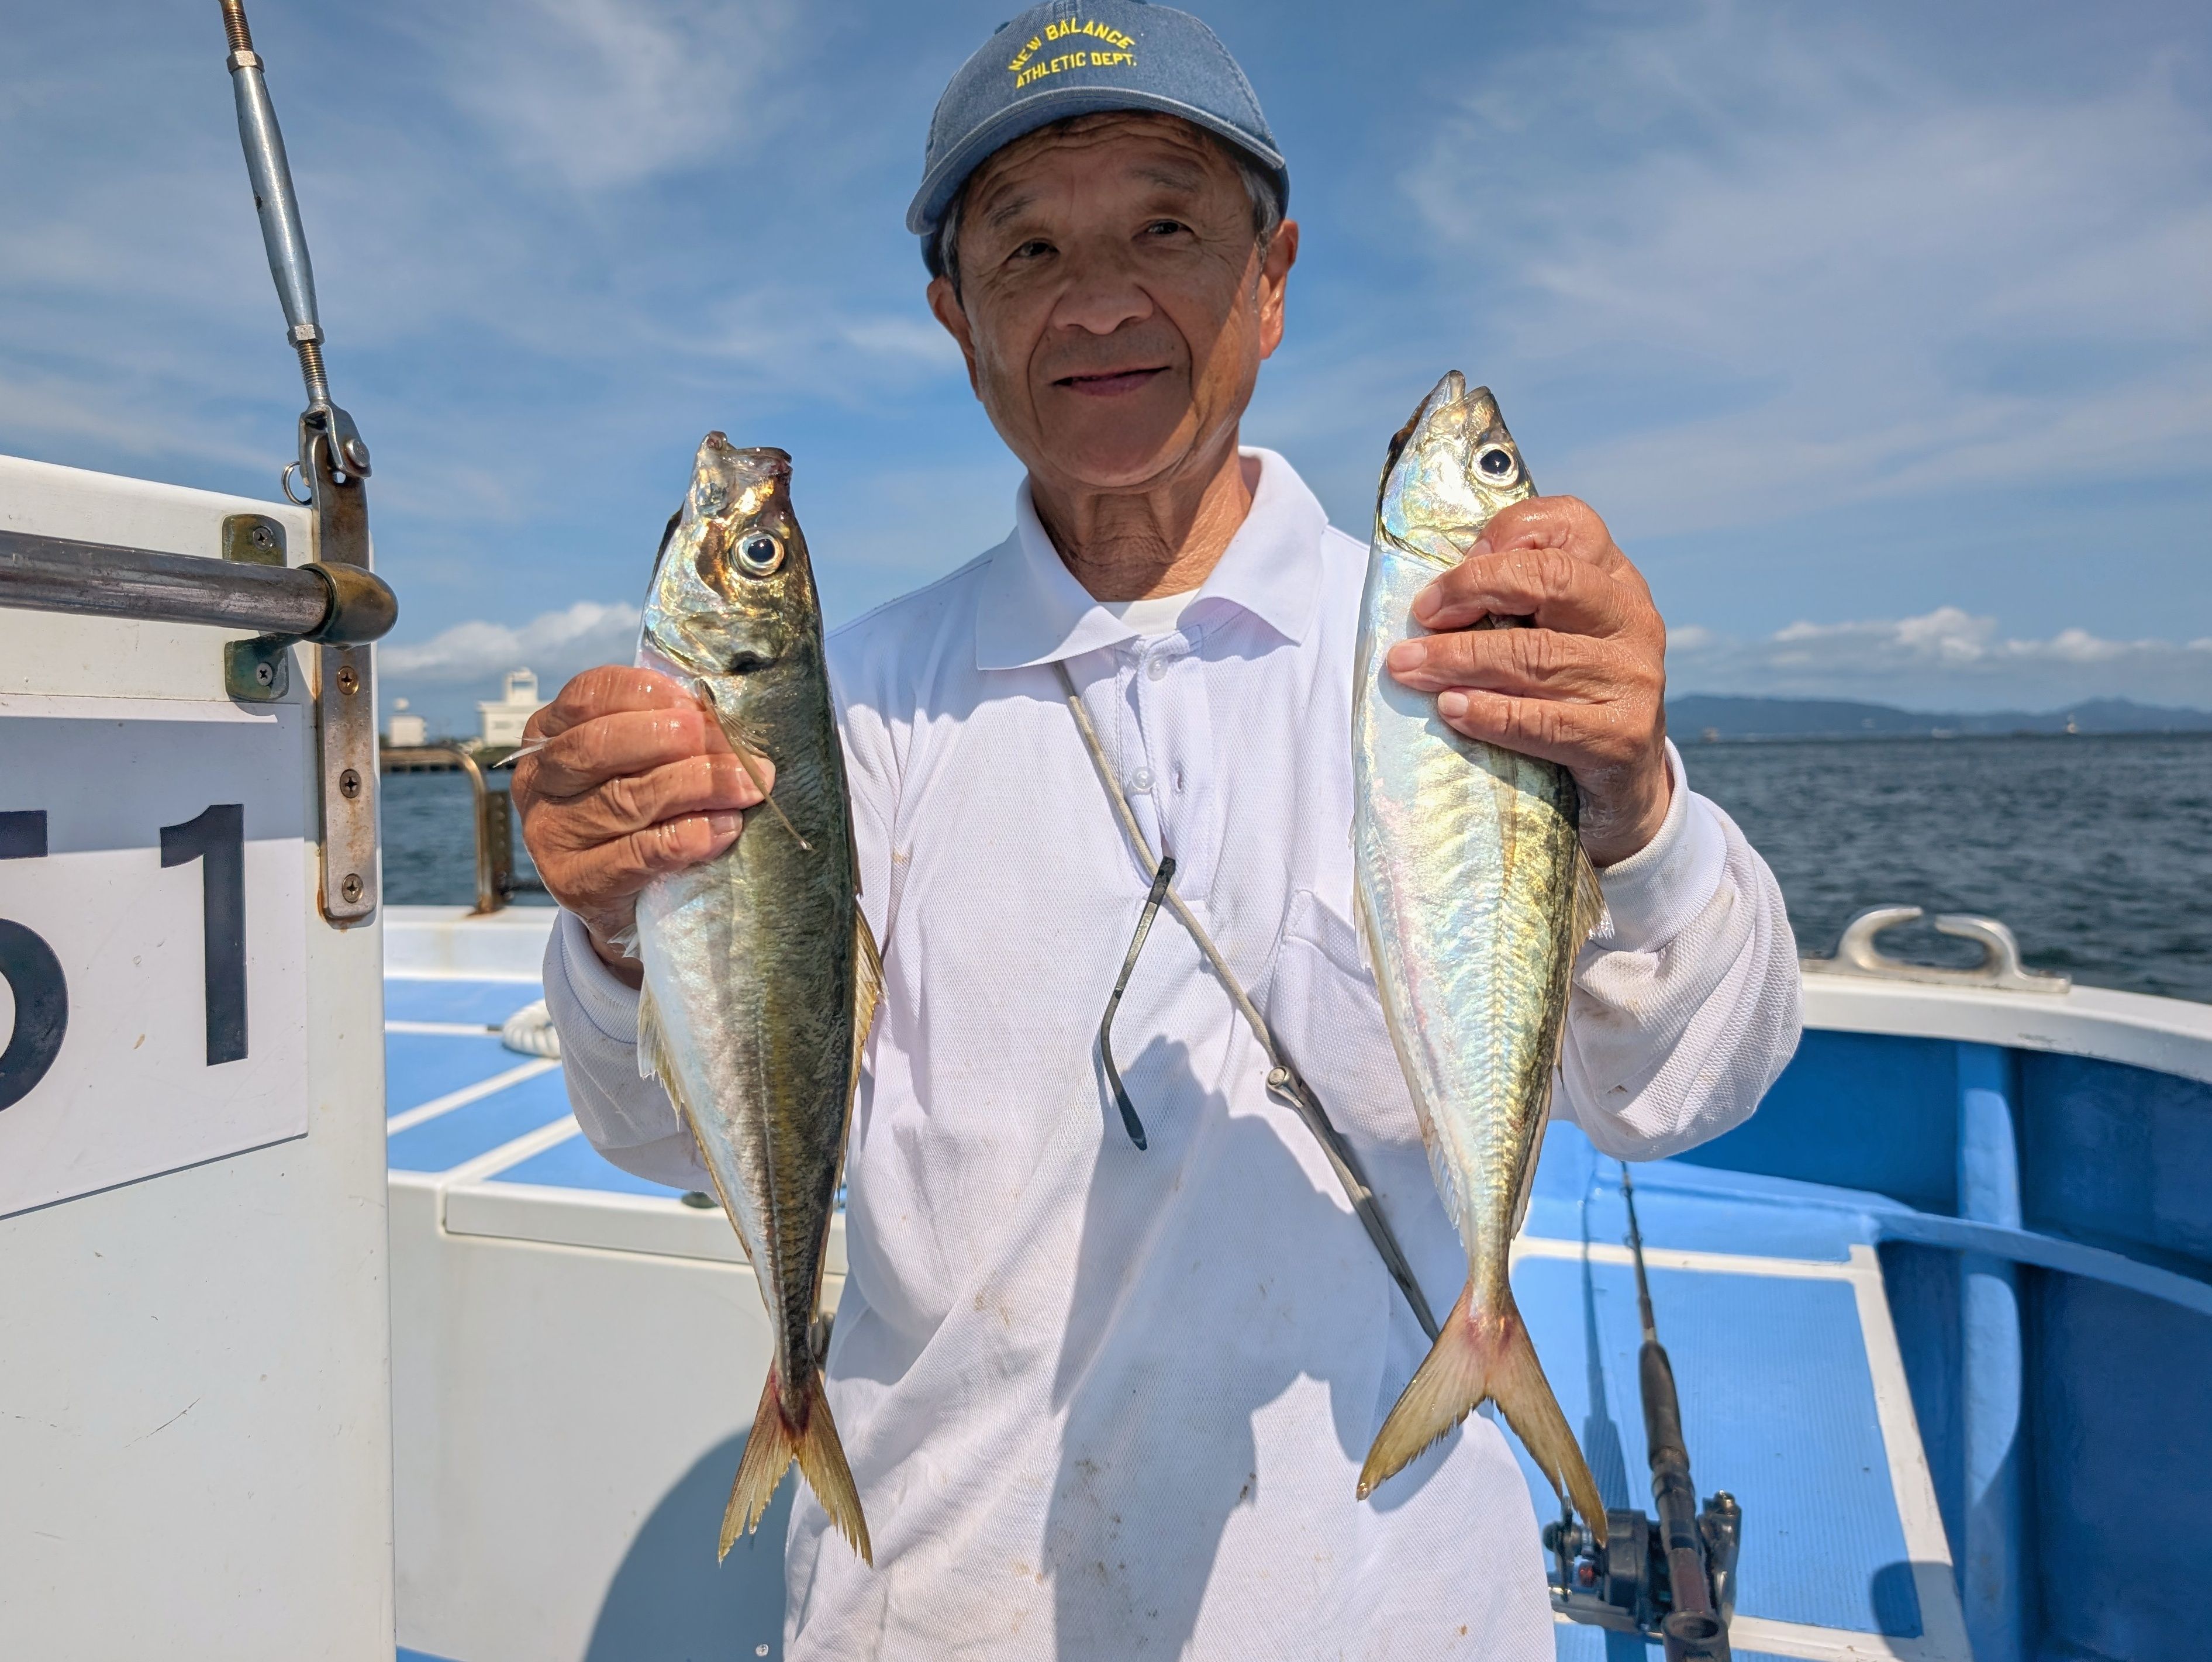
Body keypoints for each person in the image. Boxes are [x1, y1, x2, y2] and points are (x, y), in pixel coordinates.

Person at [513, 2, 1800, 1654]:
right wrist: (620, 932)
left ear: (1271, 279)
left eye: (1167, 230)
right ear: (957, 317)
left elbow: (1685, 1090)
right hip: (937, 1606)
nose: (1100, 300)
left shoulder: (1457, 653)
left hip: (1388, 1613)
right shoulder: (844, 705)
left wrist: (1633, 808)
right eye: (1029, 250)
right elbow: (663, 1138)